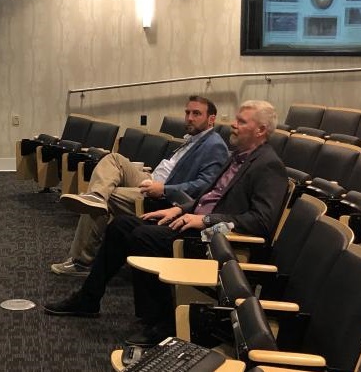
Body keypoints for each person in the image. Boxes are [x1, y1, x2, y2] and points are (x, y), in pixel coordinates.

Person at [44, 100, 288, 347]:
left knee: (143, 238)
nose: (233, 125)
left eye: (241, 121)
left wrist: (204, 220)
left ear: (261, 130)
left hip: (213, 240)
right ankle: (88, 299)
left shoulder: (269, 165)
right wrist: (178, 209)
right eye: (236, 120)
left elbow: (261, 222)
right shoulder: (237, 157)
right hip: (190, 222)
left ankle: (162, 322)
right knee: (122, 226)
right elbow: (207, 196)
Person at [51, 96, 229, 276]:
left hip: (165, 196)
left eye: (196, 113)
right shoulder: (193, 139)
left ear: (211, 119)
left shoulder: (214, 145)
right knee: (114, 159)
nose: (189, 117)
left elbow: (205, 186)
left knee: (110, 196)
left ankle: (82, 261)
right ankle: (96, 196)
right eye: (187, 112)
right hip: (151, 179)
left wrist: (164, 190)